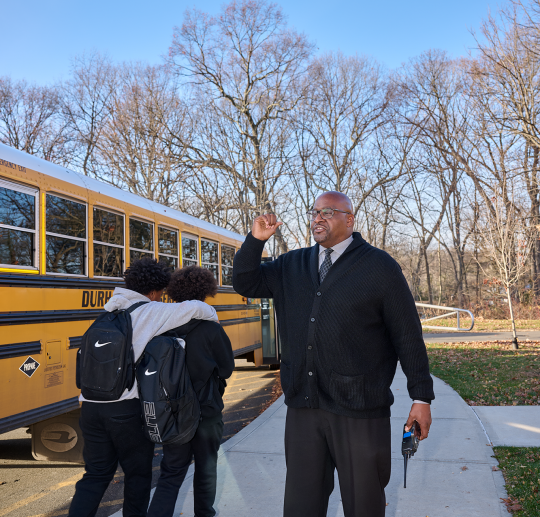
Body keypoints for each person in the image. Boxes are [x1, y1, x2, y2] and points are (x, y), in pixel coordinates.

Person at [232, 191, 435, 517]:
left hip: (360, 411)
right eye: (314, 212)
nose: (318, 218)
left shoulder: (379, 267)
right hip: (304, 407)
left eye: (327, 212)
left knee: (363, 506)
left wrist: (421, 398)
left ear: (349, 219)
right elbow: (244, 282)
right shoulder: (290, 264)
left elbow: (408, 336)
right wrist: (255, 240)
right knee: (300, 506)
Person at [68, 258, 218, 517]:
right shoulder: (150, 312)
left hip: (90, 408)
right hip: (125, 411)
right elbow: (200, 309)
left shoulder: (106, 313)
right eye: (159, 293)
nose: (160, 298)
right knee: (137, 477)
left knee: (95, 475)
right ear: (153, 291)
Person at [147, 266, 234, 517]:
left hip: (172, 410)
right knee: (206, 468)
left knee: (172, 471)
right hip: (206, 410)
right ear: (205, 292)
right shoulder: (212, 329)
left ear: (174, 294)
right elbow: (227, 368)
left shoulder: (162, 327)